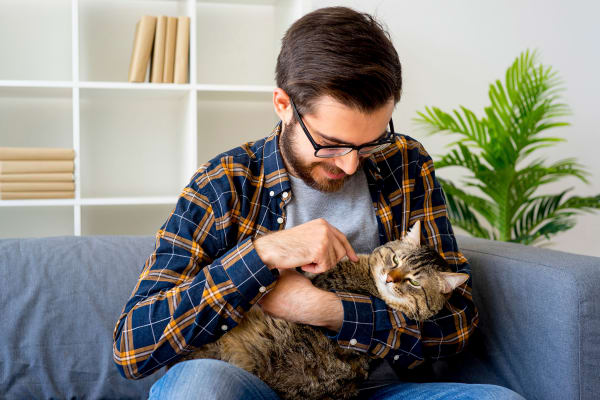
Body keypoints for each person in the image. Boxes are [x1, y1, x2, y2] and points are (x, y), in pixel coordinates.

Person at [113, 6, 525, 400]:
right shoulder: (225, 184)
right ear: (283, 105)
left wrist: (330, 310)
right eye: (330, 145)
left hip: (375, 389)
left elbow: (456, 324)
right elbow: (133, 346)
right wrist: (261, 255)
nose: (349, 164)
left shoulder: (404, 164)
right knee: (199, 388)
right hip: (251, 385)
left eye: (369, 143)